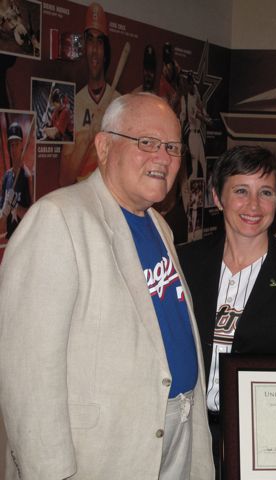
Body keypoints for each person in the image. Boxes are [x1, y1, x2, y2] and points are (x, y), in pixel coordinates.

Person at [0, 93, 214, 479]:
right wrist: (50, 471)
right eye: (146, 142)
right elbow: (28, 375)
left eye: (172, 147)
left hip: (172, 434)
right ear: (103, 146)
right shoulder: (58, 220)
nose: (162, 158)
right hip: (102, 454)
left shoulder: (157, 224)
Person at [178, 145, 276, 478]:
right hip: (185, 435)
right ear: (217, 197)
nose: (254, 206)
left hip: (259, 441)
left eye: (266, 192)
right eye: (241, 191)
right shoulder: (184, 263)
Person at [59, 2, 120, 186]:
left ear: (106, 51)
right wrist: (85, 142)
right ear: (84, 48)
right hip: (81, 198)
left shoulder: (118, 102)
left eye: (99, 42)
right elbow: (64, 181)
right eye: (90, 41)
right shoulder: (73, 104)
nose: (94, 50)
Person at [0, 121, 32, 239]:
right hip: (9, 237)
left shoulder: (27, 176)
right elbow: (1, 220)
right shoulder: (6, 176)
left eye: (17, 144)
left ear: (22, 146)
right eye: (11, 145)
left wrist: (15, 207)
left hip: (23, 239)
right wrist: (4, 210)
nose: (14, 148)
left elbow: (31, 216)